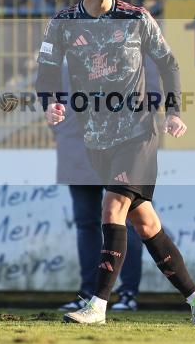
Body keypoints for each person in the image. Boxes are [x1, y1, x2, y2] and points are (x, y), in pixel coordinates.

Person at [35, 0, 195, 326]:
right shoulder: (63, 25)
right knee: (145, 224)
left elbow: (169, 64)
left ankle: (97, 304)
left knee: (113, 206)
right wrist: (50, 102)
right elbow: (46, 71)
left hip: (138, 132)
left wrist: (174, 111)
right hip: (96, 138)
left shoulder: (136, 19)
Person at [53, 60, 143, 312]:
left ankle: (127, 293)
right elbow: (51, 101)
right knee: (87, 223)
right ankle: (89, 293)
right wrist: (64, 131)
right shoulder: (66, 60)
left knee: (127, 221)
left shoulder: (131, 53)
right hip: (77, 151)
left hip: (119, 152)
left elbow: (149, 98)